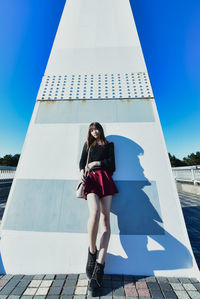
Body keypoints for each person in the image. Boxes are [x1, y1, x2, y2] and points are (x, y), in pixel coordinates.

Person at [79, 122, 118, 291]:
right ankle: (92, 252)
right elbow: (82, 163)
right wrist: (82, 171)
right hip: (92, 181)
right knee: (93, 214)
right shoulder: (88, 145)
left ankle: (99, 268)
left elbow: (112, 165)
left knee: (105, 221)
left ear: (101, 130)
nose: (95, 132)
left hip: (106, 180)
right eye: (92, 130)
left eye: (96, 129)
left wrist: (96, 163)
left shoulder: (109, 145)